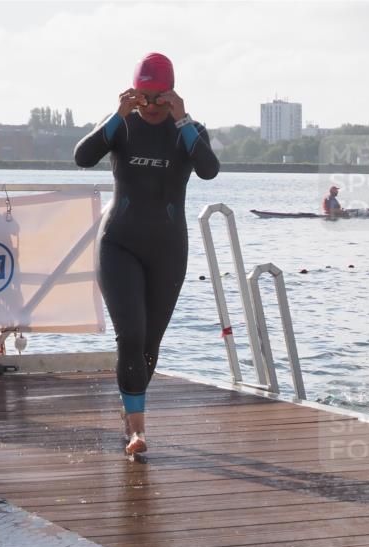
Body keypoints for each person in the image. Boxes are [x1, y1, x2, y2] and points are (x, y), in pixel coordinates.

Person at [74, 52, 220, 455]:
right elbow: (82, 157)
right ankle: (137, 430)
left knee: (150, 343)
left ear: (173, 95)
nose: (152, 106)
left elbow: (209, 170)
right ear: (133, 93)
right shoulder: (121, 125)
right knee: (131, 333)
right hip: (118, 243)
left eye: (160, 98)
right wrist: (116, 114)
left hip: (168, 249)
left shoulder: (187, 131)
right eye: (144, 97)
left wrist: (184, 120)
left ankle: (129, 406)